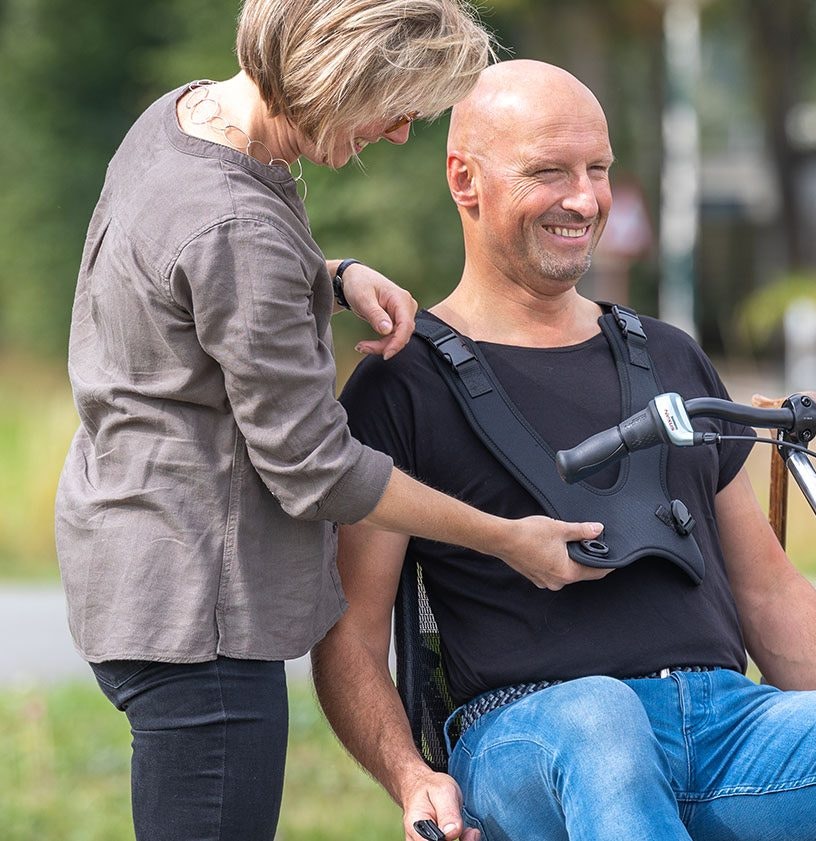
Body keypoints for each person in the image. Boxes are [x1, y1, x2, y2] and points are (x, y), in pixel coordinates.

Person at [315, 59, 816, 841]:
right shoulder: (401, 383)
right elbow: (349, 631)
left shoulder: (672, 358)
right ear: (464, 180)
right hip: (532, 731)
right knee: (602, 718)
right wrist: (411, 777)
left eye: (598, 170)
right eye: (548, 172)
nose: (584, 199)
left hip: (725, 722)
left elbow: (767, 591)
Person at [53, 7, 604, 841]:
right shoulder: (239, 229)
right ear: (342, 76)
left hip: (125, 562)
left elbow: (187, 265)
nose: (395, 136)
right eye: (397, 109)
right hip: (197, 621)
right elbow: (318, 470)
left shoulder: (183, 118)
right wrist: (501, 535)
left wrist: (330, 274)